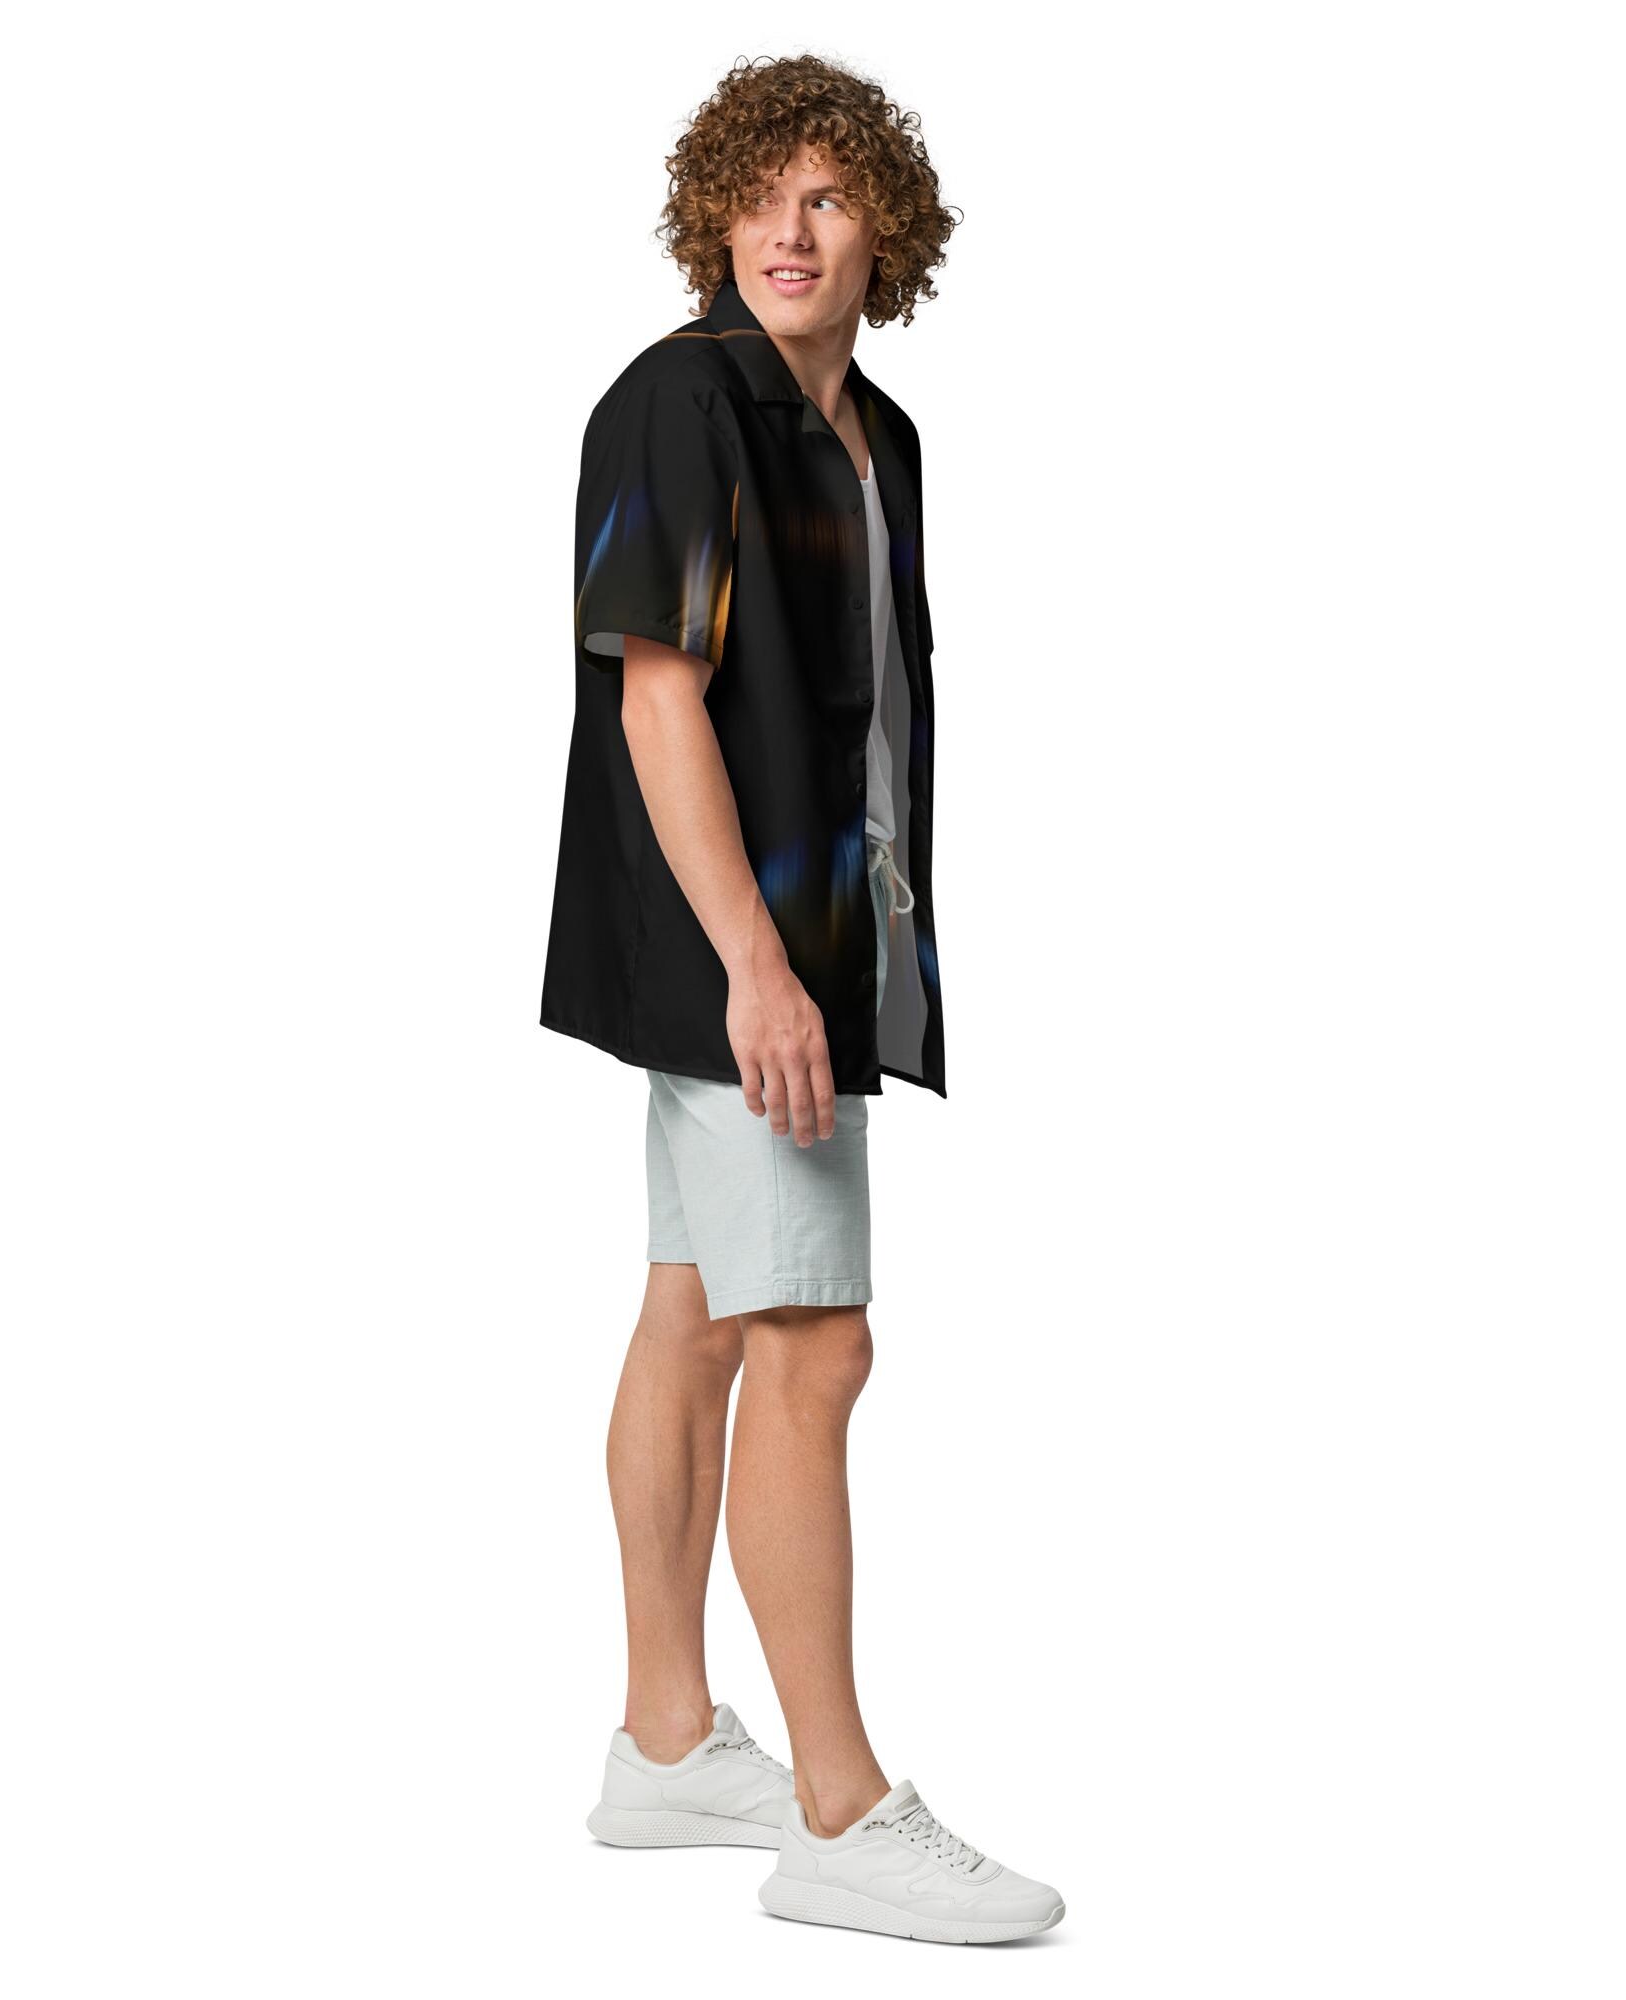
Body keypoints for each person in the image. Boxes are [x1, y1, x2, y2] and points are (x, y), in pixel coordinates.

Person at [540, 54, 1064, 1945]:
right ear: (712, 217)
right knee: (815, 1348)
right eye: (759, 196)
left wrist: (856, 951)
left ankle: (668, 1743)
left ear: (882, 232)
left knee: (695, 1318)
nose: (788, 230)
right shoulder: (683, 400)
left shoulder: (877, 433)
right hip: (739, 955)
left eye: (827, 198)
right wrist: (759, 971)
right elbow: (655, 694)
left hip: (820, 941)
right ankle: (840, 1812)